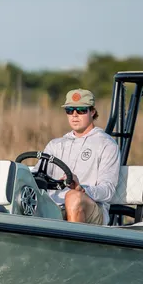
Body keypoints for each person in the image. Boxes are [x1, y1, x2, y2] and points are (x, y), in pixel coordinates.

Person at [40, 88, 121, 225]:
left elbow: (108, 190)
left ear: (93, 111)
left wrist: (82, 189)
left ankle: (74, 245)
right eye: (70, 110)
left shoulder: (106, 144)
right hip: (53, 207)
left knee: (73, 197)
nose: (75, 115)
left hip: (92, 209)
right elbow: (38, 177)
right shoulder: (55, 145)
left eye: (81, 110)